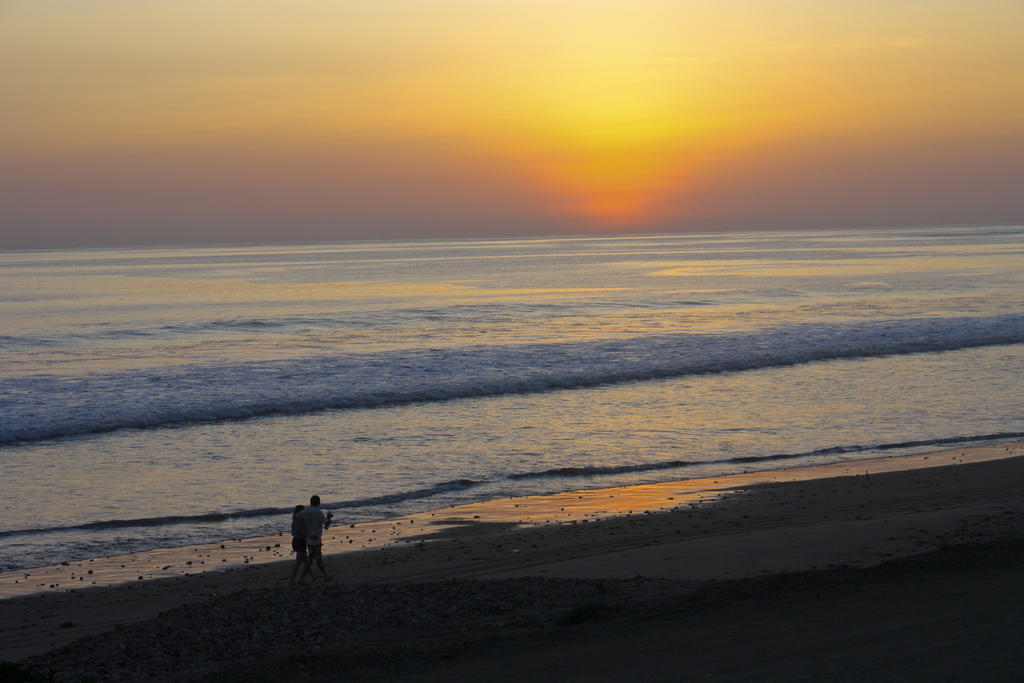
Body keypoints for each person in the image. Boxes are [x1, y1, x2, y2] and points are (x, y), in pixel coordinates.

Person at [297, 495, 333, 581]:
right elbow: (326, 524)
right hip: (316, 540)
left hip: (308, 539)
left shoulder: (305, 511)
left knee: (310, 560)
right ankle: (326, 576)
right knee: (318, 560)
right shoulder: (318, 512)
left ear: (310, 502)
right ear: (318, 503)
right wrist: (329, 517)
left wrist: (305, 531)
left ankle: (301, 578)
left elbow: (296, 517)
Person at [288, 504, 308, 585]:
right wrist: (309, 535)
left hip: (295, 541)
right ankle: (294, 580)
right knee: (301, 562)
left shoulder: (294, 520)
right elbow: (303, 532)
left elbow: (292, 532)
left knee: (304, 561)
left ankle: (309, 577)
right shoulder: (301, 520)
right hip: (300, 541)